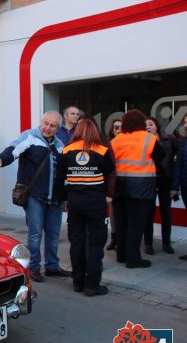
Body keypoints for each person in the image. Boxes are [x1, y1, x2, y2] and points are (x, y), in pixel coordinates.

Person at [0, 111, 70, 282]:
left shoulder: (61, 145)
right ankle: (33, 267)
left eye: (53, 125)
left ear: (58, 128)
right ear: (41, 122)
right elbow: (13, 150)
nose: (47, 128)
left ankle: (52, 267)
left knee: (54, 234)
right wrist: (1, 160)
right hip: (34, 195)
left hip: (54, 197)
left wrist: (66, 196)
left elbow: (65, 173)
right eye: (45, 123)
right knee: (35, 233)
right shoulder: (30, 137)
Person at [60, 118, 116, 296]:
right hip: (96, 202)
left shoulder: (67, 150)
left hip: (75, 202)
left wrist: (65, 198)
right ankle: (92, 284)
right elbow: (111, 172)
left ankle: (78, 281)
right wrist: (109, 195)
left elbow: (60, 177)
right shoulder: (102, 150)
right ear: (94, 130)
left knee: (76, 242)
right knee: (96, 243)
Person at [111, 110, 165, 268]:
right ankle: (133, 259)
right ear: (141, 122)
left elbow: (109, 162)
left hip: (119, 187)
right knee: (136, 224)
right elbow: (161, 156)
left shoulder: (116, 139)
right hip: (141, 187)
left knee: (121, 223)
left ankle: (121, 255)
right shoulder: (149, 138)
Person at [143, 116, 178, 255]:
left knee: (166, 212)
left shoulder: (168, 139)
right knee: (148, 213)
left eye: (150, 124)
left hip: (165, 180)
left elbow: (178, 157)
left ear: (156, 126)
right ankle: (148, 244)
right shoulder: (142, 142)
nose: (148, 127)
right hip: (149, 180)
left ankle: (166, 243)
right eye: (145, 126)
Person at [171, 113, 187, 260]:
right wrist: (175, 187)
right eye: (185, 122)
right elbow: (178, 165)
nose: (185, 125)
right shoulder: (184, 142)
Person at [105, 119, 122, 250]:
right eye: (116, 127)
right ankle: (114, 238)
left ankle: (122, 239)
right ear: (112, 129)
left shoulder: (129, 142)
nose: (119, 129)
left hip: (125, 181)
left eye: (121, 127)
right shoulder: (107, 143)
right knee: (113, 213)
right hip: (112, 182)